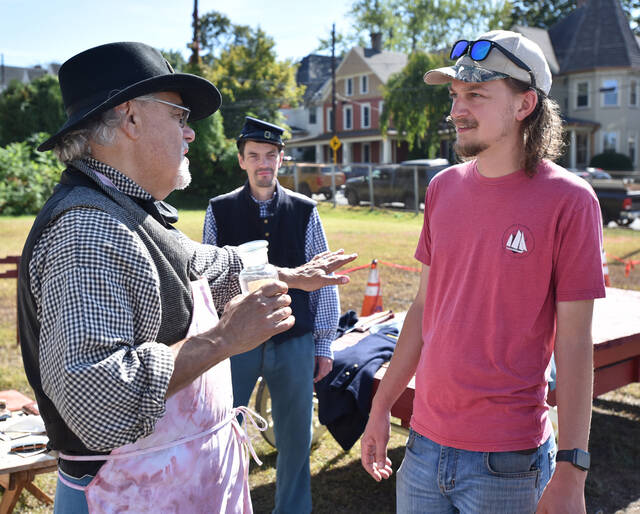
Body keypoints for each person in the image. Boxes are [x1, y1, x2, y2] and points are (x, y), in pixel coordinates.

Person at [17, 42, 356, 513]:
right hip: (127, 496)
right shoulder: (89, 229)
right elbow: (95, 398)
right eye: (179, 115)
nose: (191, 133)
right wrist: (222, 339)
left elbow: (205, 265)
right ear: (130, 119)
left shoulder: (129, 211)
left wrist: (289, 275)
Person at [360, 30, 605, 513]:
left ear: (524, 104)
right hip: (424, 449)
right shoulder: (441, 188)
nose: (456, 110)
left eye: (476, 93)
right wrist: (381, 405)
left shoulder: (571, 202)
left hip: (509, 464)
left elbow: (575, 344)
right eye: (454, 95)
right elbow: (424, 311)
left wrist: (573, 470)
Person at [202, 116, 339, 513]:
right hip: (236, 342)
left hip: (294, 339)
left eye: (270, 156)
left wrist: (324, 343)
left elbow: (322, 277)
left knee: (295, 437)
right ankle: (224, 504)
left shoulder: (305, 209)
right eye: (254, 156)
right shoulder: (219, 209)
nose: (263, 163)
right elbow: (207, 283)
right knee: (223, 430)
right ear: (242, 161)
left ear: (281, 159)